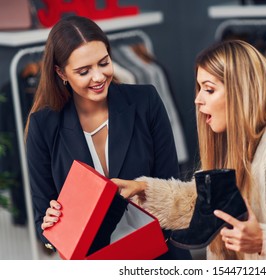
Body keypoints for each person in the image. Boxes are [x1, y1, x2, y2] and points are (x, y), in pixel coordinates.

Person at [112, 40, 266, 260]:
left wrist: (265, 241)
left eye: (209, 89)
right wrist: (144, 189)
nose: (198, 100)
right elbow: (206, 206)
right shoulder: (236, 144)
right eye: (199, 89)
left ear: (242, 91)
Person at [25, 15, 191, 259]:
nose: (99, 77)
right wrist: (51, 230)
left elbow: (171, 187)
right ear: (61, 73)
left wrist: (142, 189)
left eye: (104, 63)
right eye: (84, 71)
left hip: (159, 252)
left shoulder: (146, 101)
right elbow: (44, 221)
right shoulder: (44, 126)